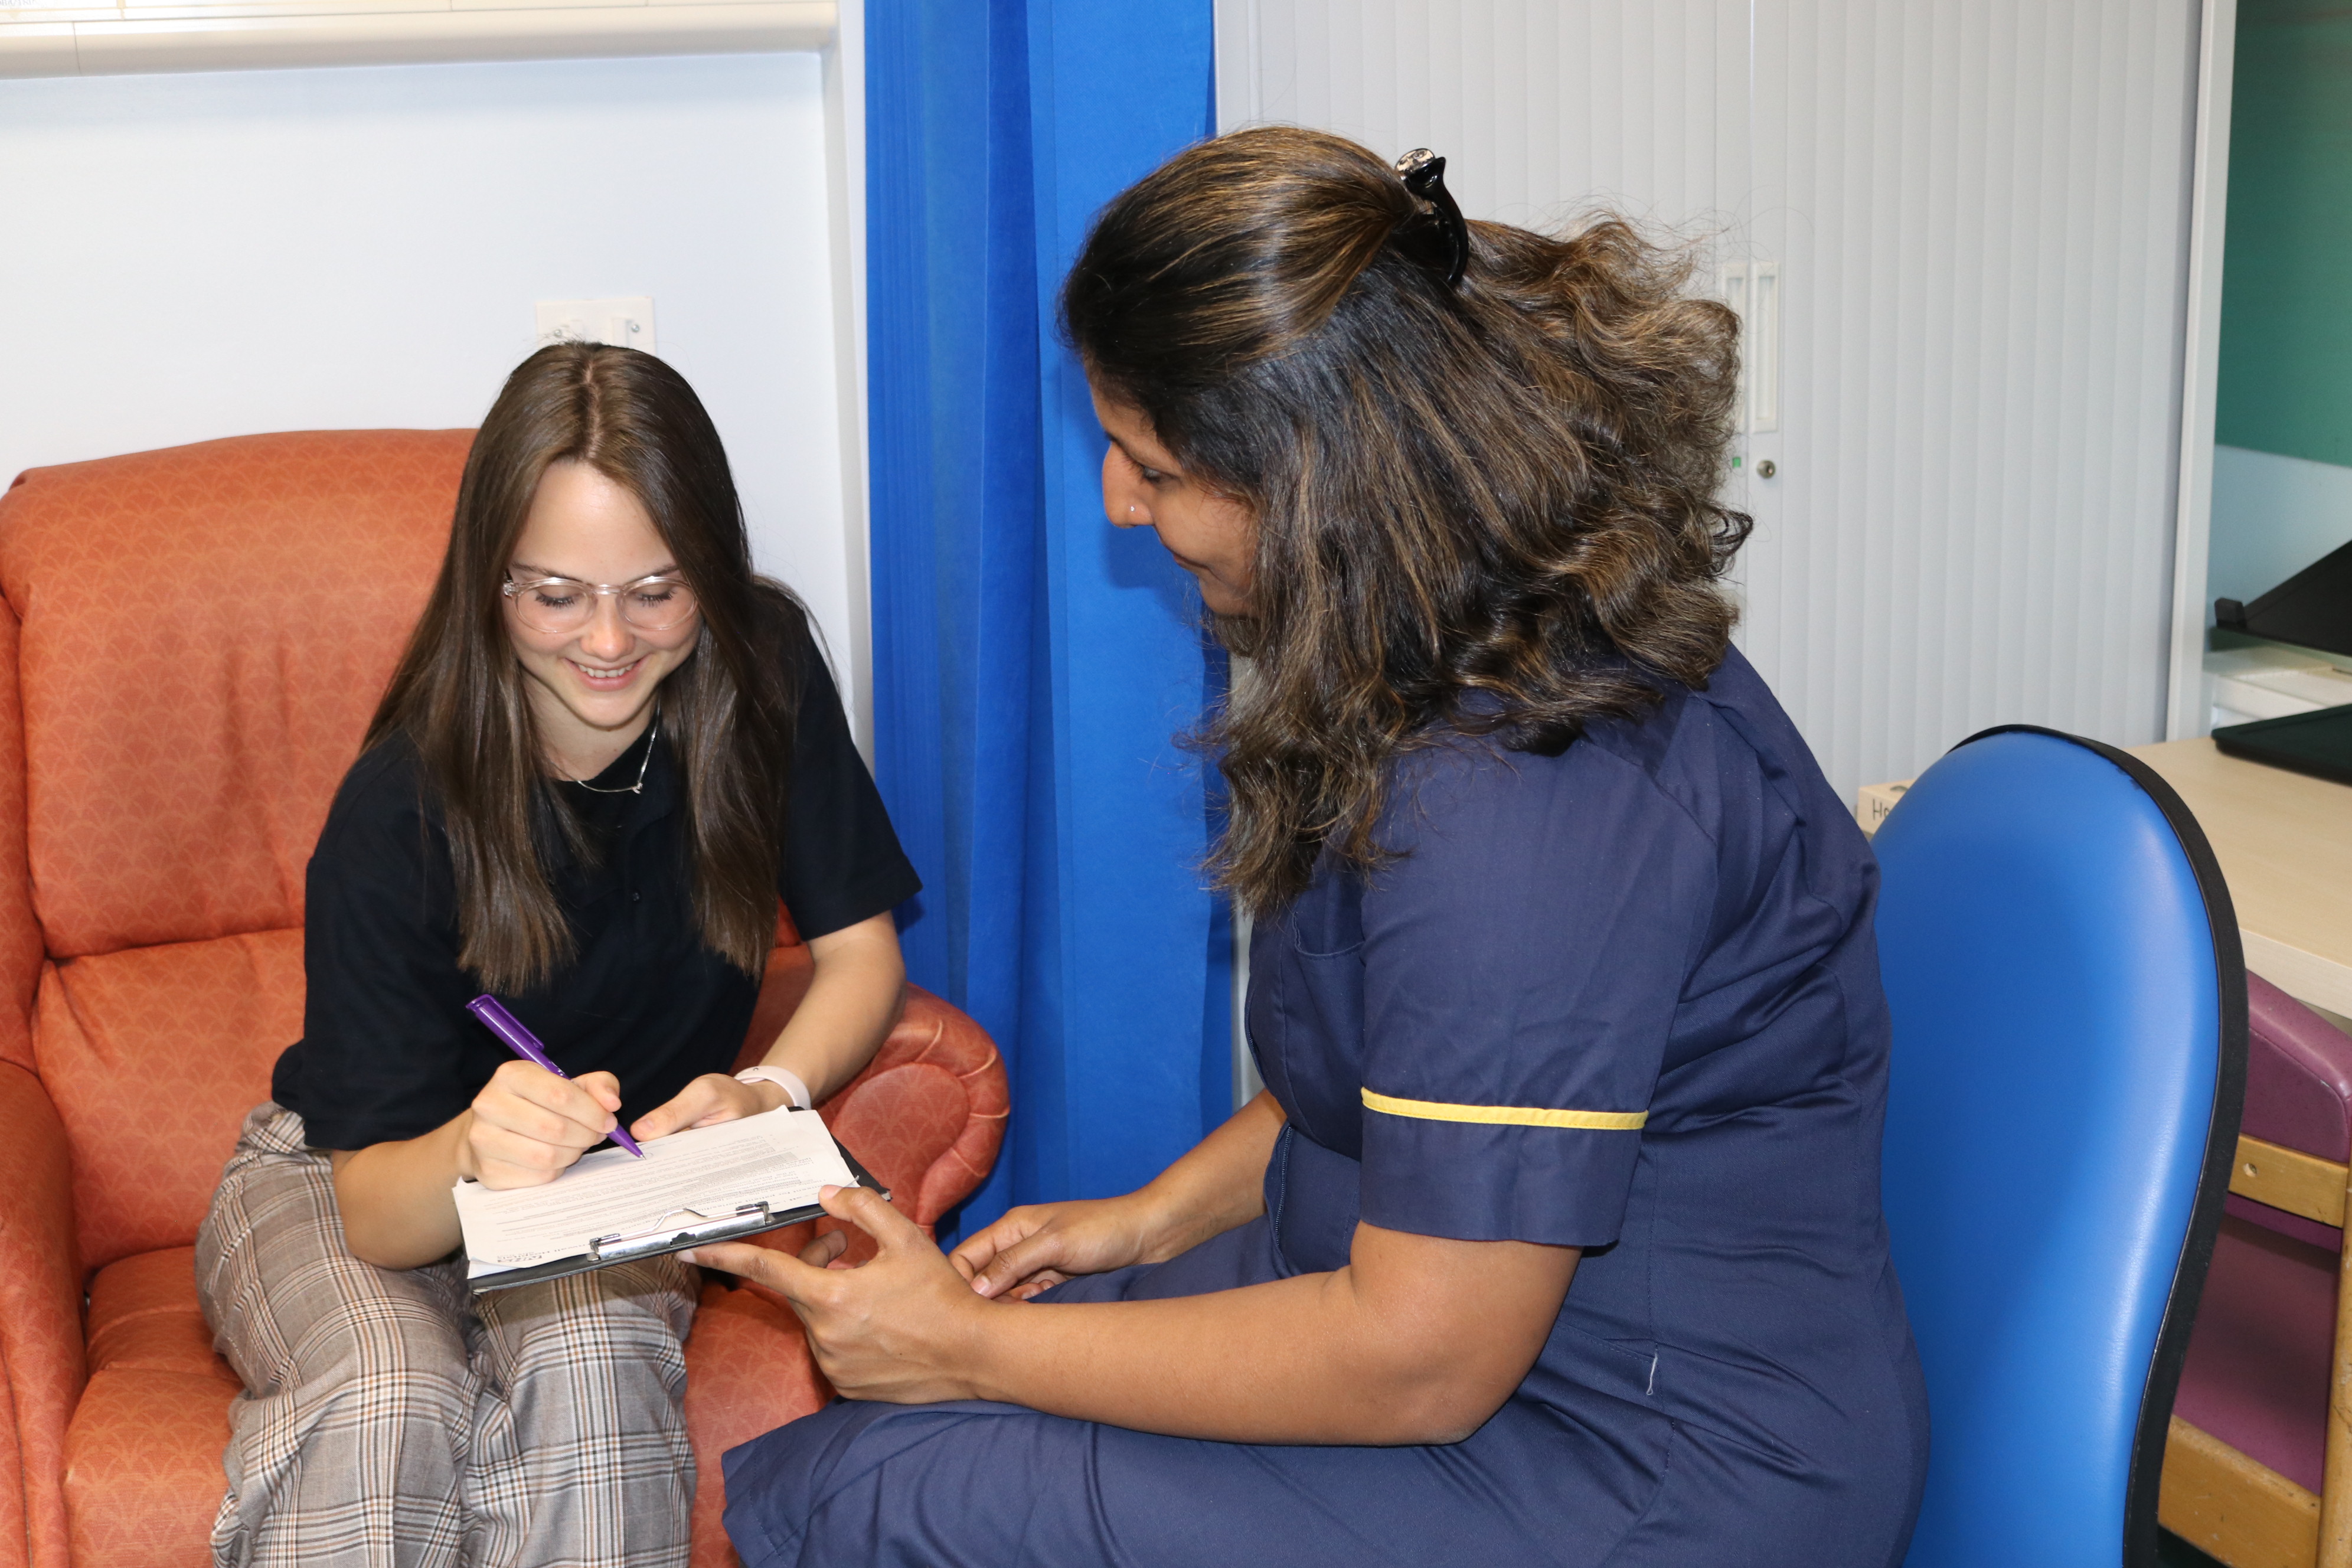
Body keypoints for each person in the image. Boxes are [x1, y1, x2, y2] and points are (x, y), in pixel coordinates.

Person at [701, 127, 1930, 1567]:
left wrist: (969, 1348)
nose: (1115, 498)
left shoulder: (1519, 798)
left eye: (1150, 462)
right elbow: (1403, 1069)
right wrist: (1151, 1218)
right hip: (1454, 1332)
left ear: (1316, 477)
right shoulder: (1431, 633)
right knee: (909, 1428)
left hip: (1648, 1455)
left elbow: (1424, 1358)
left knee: (892, 1491)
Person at [195, 343, 921, 1568]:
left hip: (607, 1185)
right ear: (489, 584)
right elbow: (377, 1208)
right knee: (390, 1395)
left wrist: (767, 1091)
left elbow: (860, 956)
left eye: (657, 589)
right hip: (351, 1177)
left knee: (591, 1372)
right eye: (555, 595)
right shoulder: (400, 803)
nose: (608, 641)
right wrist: (483, 1142)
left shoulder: (762, 673)